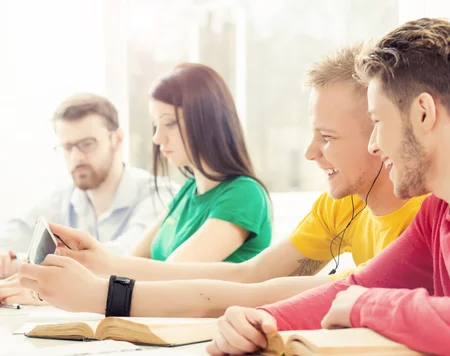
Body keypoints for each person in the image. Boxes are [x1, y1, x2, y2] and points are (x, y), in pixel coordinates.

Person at [202, 18, 450, 356]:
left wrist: (367, 306)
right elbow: (357, 286)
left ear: (423, 113)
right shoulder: (439, 212)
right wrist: (263, 320)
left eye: (377, 120)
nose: (374, 143)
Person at [16, 44, 427, 317]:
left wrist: (102, 293)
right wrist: (102, 263)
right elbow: (249, 277)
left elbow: (255, 294)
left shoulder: (423, 224)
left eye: (327, 137)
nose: (310, 153)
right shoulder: (343, 203)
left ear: (378, 132)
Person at [3, 63, 273, 305]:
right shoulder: (188, 193)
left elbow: (171, 277)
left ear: (206, 123)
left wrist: (52, 293)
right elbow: (124, 264)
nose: (157, 138)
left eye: (169, 124)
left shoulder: (244, 194)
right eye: (155, 125)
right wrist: (43, 285)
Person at [0, 93, 176, 279]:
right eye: (67, 148)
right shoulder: (62, 197)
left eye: (87, 144)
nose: (76, 158)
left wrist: (19, 263)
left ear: (116, 139)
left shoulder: (158, 194)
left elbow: (122, 259)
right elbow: (13, 233)